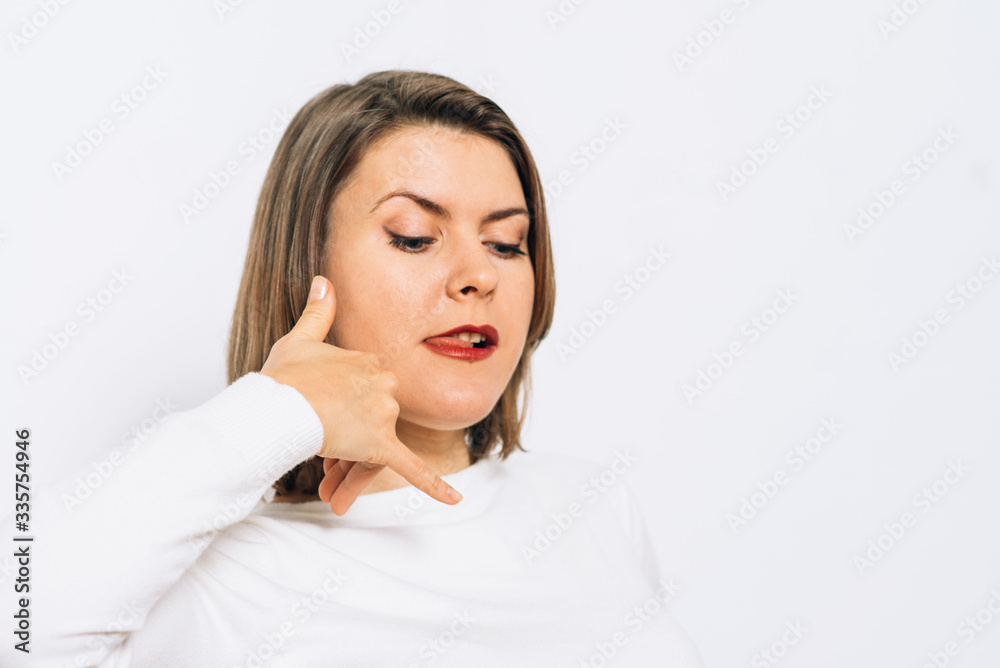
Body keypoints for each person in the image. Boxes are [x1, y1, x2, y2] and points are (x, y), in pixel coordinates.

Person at [18, 70, 703, 667]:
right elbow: (21, 622)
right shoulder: (222, 579)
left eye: (505, 243)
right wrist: (279, 408)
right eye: (414, 237)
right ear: (306, 264)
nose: (478, 275)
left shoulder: (593, 507)